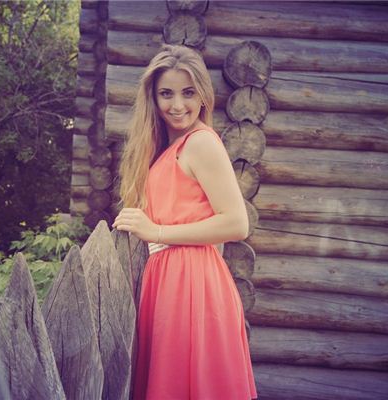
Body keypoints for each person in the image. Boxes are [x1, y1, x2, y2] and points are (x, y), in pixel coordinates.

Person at [112, 44, 258, 400]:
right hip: (169, 279)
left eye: (188, 93)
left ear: (203, 95)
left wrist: (156, 231)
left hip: (192, 282)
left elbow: (237, 223)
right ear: (153, 97)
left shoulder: (201, 143)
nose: (177, 105)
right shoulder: (169, 147)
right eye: (167, 94)